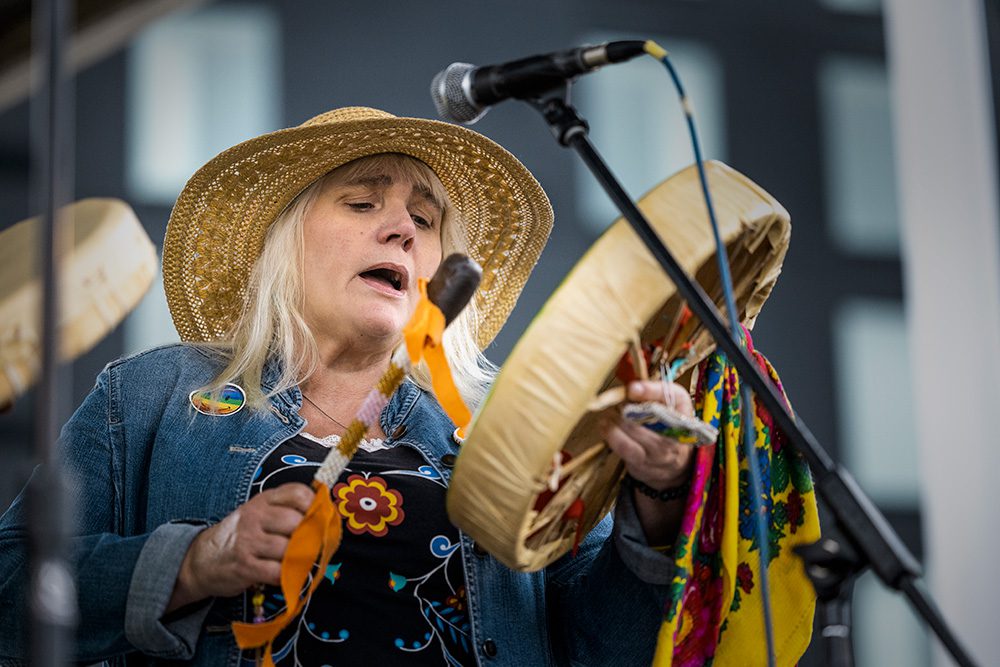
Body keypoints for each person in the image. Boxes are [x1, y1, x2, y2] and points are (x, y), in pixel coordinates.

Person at [0, 107, 697, 665]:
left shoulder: (514, 431)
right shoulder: (147, 395)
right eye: (362, 203)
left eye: (425, 221)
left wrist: (660, 503)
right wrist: (194, 561)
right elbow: (10, 593)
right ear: (284, 240)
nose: (401, 231)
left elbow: (611, 650)